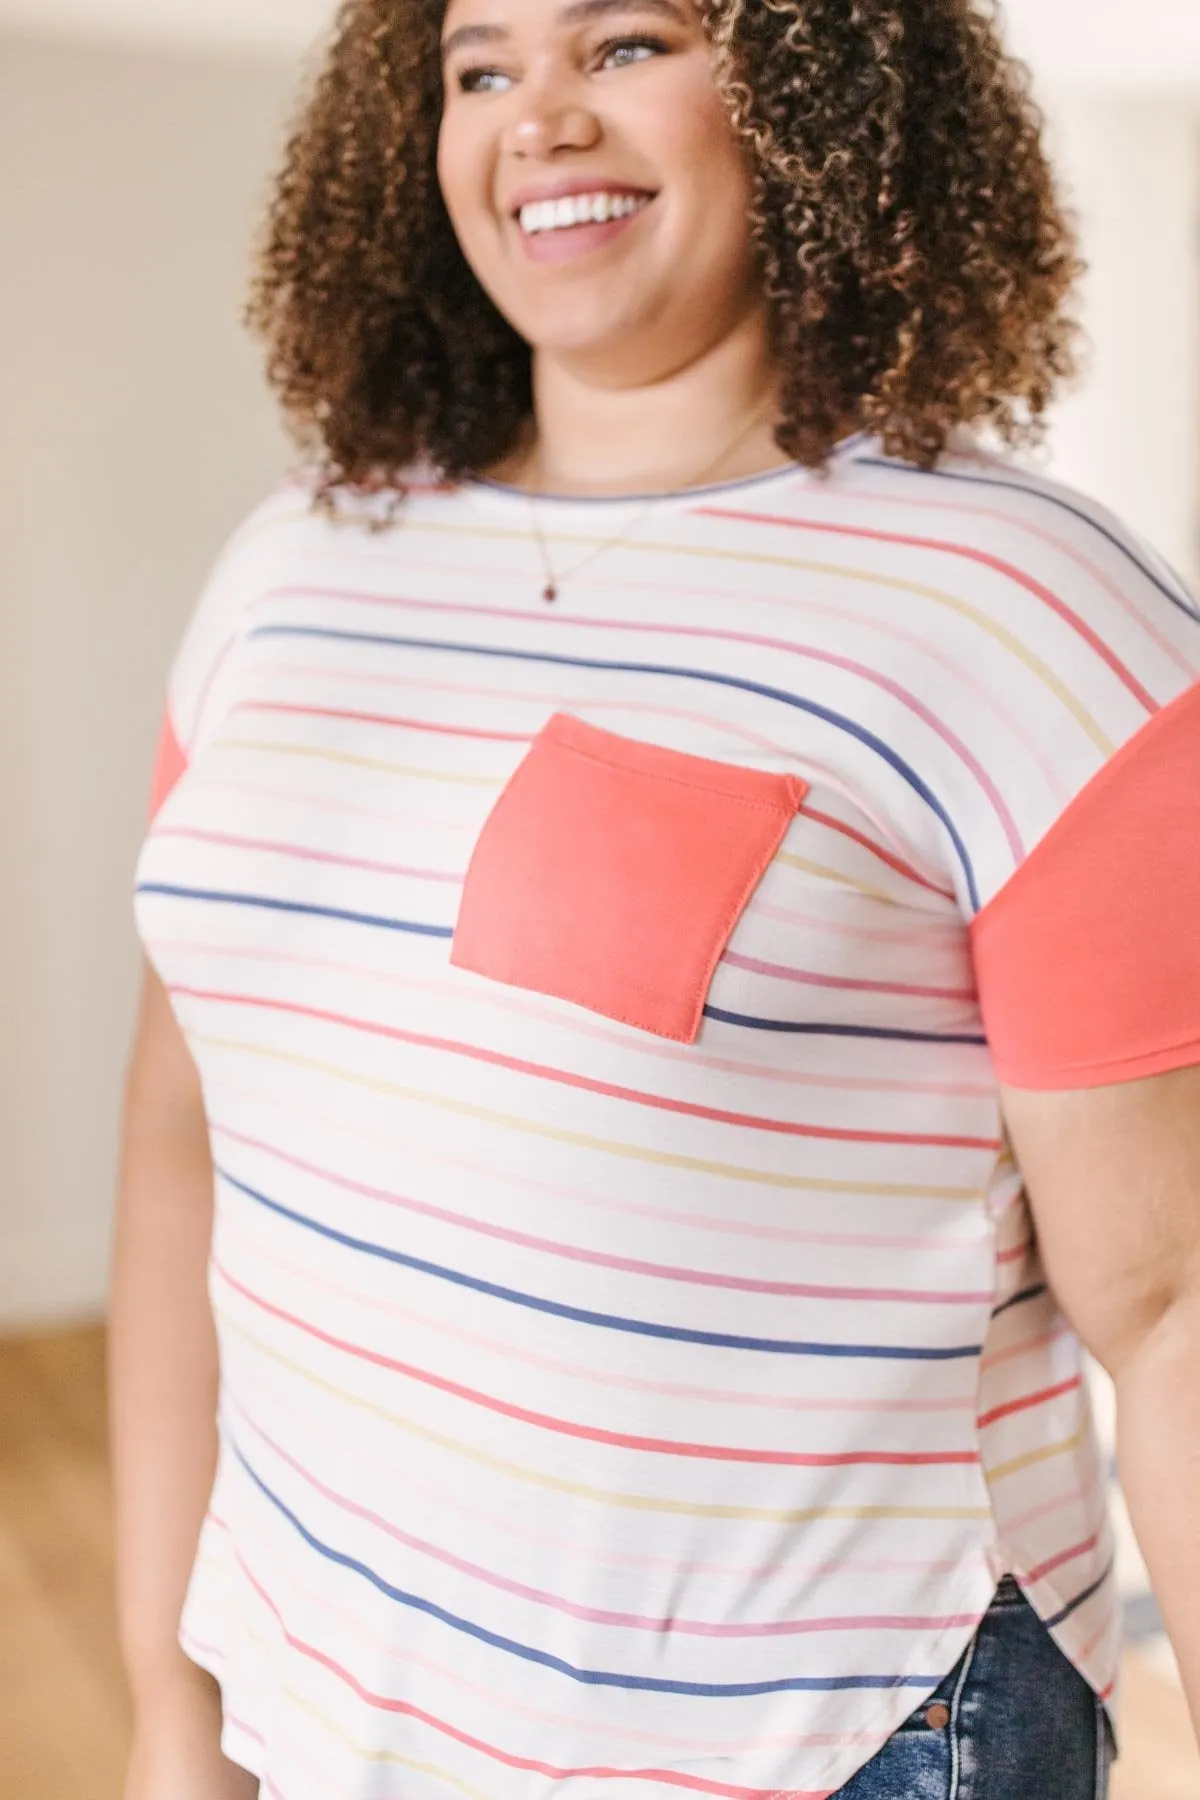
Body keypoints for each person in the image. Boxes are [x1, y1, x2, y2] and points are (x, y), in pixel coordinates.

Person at [110, 0, 1200, 1795]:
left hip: (838, 1739)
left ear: (818, 91)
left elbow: (1170, 1312)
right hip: (328, 1708)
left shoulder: (1030, 604)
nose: (538, 117)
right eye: (481, 67)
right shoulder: (288, 574)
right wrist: (176, 1701)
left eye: (623, 44)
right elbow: (183, 1136)